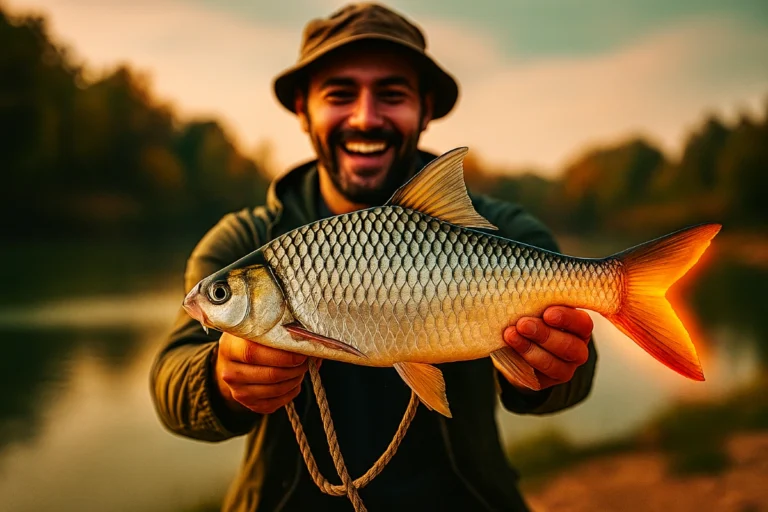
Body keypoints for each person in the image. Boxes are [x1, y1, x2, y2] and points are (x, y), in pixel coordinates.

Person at [151, 3, 597, 511]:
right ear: (303, 110)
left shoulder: (504, 230)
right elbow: (170, 385)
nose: (366, 117)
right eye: (340, 94)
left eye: (392, 94)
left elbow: (579, 372)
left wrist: (553, 370)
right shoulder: (245, 240)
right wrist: (219, 378)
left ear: (425, 109)